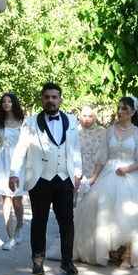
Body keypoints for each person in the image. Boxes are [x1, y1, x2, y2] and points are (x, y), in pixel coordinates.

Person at [74, 96, 138, 267]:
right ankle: (108, 251)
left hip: (131, 175)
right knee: (101, 207)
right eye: (119, 108)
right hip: (109, 173)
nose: (120, 112)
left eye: (125, 110)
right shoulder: (110, 131)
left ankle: (129, 255)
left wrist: (127, 170)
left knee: (132, 211)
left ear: (133, 113)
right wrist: (93, 178)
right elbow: (101, 157)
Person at [9, 82, 82, 275]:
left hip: (65, 177)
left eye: (54, 97)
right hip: (40, 178)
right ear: (42, 99)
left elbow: (75, 149)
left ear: (60, 99)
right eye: (47, 97)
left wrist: (78, 173)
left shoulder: (72, 121)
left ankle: (67, 261)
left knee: (67, 221)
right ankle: (38, 260)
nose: (50, 100)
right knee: (39, 220)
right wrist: (14, 172)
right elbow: (21, 149)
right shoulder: (31, 123)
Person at [46, 105, 106, 260]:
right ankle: (70, 244)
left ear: (95, 117)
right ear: (79, 116)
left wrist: (95, 176)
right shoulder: (73, 131)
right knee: (70, 210)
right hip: (74, 174)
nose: (87, 119)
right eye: (84, 116)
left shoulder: (102, 132)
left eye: (90, 116)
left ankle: (92, 245)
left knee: (92, 210)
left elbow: (104, 155)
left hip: (96, 174)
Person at [0, 93, 26, 250]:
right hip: (3, 163)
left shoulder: (22, 122)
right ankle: (9, 236)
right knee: (5, 200)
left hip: (18, 163)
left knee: (17, 200)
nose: (6, 103)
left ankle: (20, 227)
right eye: (3, 101)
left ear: (14, 103)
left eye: (9, 101)